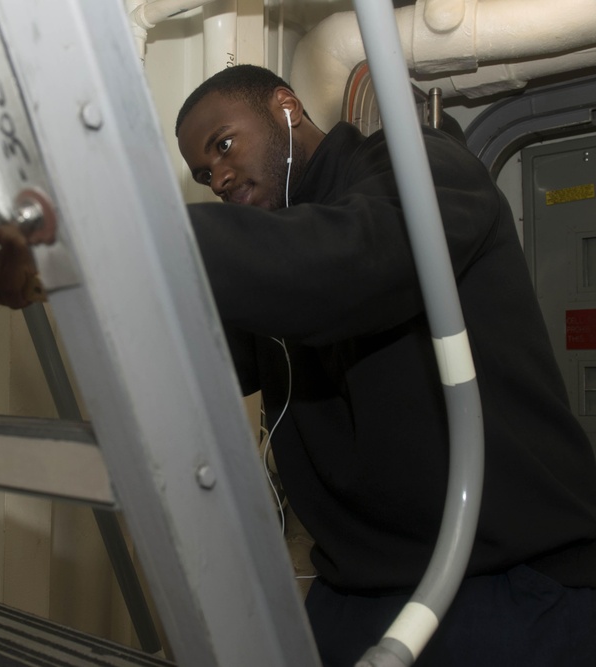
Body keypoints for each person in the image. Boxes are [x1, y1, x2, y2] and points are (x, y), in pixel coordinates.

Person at [172, 65, 596, 666]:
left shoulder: (421, 166)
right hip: (353, 593)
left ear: (285, 107)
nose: (216, 176)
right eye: (202, 172)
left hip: (500, 586)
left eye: (223, 145)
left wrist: (141, 232)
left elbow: (352, 261)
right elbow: (208, 360)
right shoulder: (281, 249)